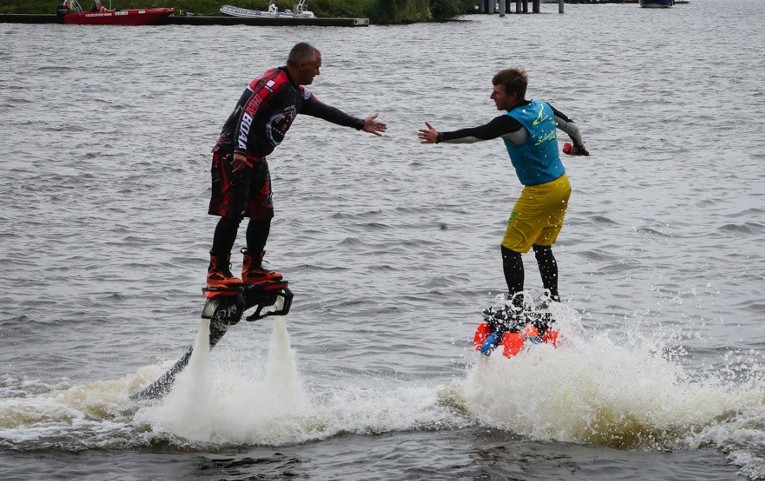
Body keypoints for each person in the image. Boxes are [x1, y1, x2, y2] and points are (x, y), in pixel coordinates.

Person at [206, 42, 387, 288]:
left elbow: (325, 111)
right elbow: (248, 110)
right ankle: (217, 271)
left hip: (257, 158)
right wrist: (239, 149)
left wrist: (358, 123)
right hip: (234, 153)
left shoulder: (297, 92)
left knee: (263, 213)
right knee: (233, 213)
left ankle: (253, 269)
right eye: (316, 67)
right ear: (302, 65)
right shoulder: (274, 82)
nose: (318, 73)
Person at [417, 67, 589, 310]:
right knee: (542, 246)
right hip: (562, 185)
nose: (491, 96)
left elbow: (477, 135)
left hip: (540, 192)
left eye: (497, 92)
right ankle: (553, 303)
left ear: (513, 95)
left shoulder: (511, 122)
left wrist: (441, 137)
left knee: (510, 248)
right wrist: (579, 147)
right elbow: (572, 128)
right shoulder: (543, 107)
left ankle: (516, 308)